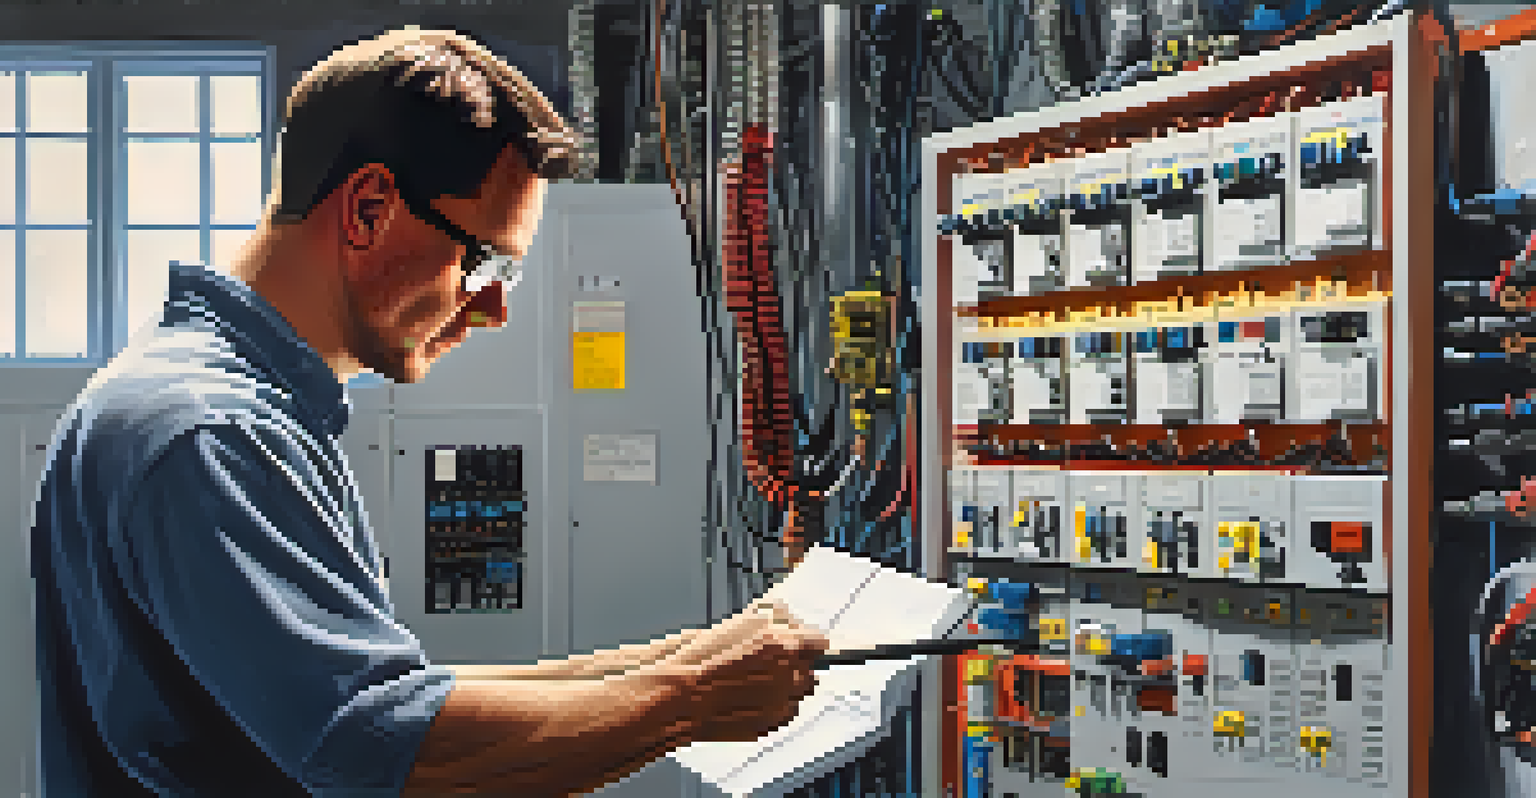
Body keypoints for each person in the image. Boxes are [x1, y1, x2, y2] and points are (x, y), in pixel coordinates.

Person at [30, 27, 828, 798]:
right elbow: (378, 748)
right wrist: (690, 697)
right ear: (369, 208)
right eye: (484, 262)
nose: (493, 311)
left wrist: (682, 661)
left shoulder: (223, 403)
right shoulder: (213, 434)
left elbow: (384, 693)